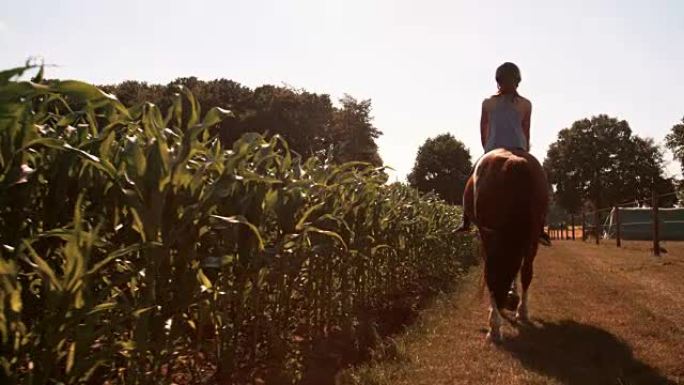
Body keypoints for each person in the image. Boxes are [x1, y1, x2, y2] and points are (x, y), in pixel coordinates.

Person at [456, 62, 551, 246]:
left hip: (493, 148)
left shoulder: (488, 103)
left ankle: (466, 221)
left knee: (472, 176)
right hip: (519, 148)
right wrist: (525, 150)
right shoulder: (526, 104)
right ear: (518, 81)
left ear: (498, 81)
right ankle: (539, 227)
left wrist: (486, 150)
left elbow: (483, 128)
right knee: (540, 178)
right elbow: (526, 129)